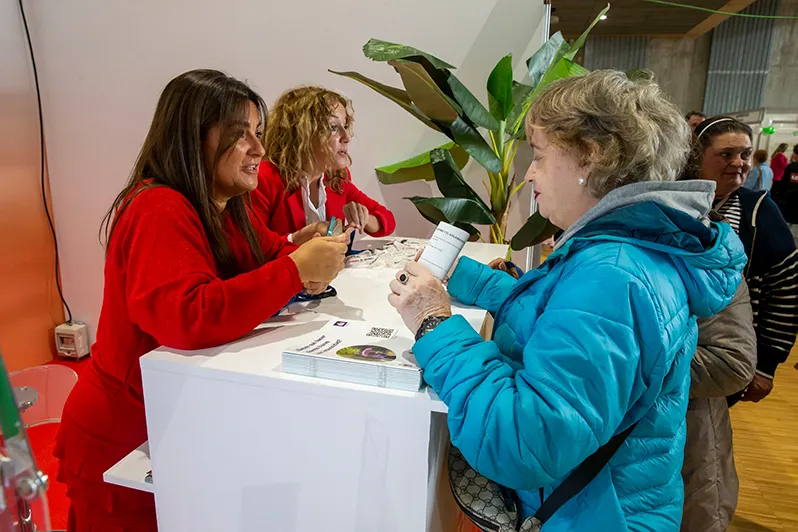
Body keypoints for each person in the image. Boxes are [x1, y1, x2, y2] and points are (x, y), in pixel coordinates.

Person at [388, 70, 746, 530]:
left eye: (538, 156)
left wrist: (434, 324)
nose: (530, 173)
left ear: (592, 155)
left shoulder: (613, 276)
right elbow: (557, 316)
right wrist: (467, 279)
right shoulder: (628, 249)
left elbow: (523, 441)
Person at [54, 70, 349, 531]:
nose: (259, 150)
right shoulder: (158, 207)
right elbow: (189, 314)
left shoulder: (222, 206)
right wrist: (296, 269)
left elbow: (268, 253)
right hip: (127, 435)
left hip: (173, 419)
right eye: (240, 136)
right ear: (194, 141)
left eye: (257, 133)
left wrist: (303, 256)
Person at [687, 117, 798, 402]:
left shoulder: (760, 211)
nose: (739, 162)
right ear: (698, 155)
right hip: (673, 349)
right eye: (727, 154)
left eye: (746, 154)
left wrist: (766, 365)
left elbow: (786, 287)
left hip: (722, 356)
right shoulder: (672, 200)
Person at [258, 86, 396, 245]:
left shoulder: (337, 178)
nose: (347, 137)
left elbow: (388, 221)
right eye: (333, 127)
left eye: (345, 126)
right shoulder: (265, 178)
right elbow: (253, 253)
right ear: (303, 133)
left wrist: (365, 219)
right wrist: (302, 235)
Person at [681, 248, 756, 532]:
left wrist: (631, 364)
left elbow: (733, 364)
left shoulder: (706, 255)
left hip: (690, 442)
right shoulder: (586, 246)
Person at [772, 144, 798, 245]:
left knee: (782, 234)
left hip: (787, 205)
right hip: (789, 206)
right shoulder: (791, 167)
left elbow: (782, 186)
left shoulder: (791, 167)